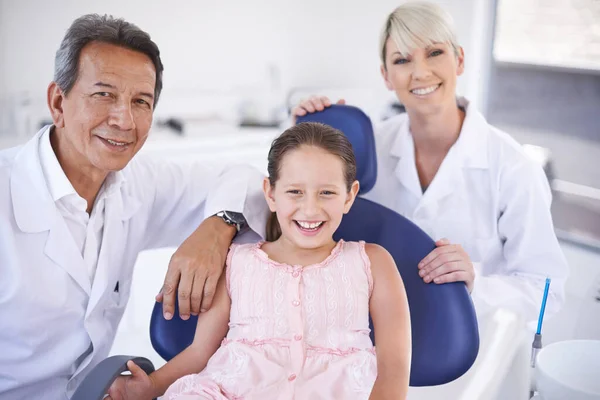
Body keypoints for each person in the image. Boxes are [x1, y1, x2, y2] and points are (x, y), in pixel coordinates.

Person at [0, 14, 269, 399]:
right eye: (104, 94)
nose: (124, 119)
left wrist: (216, 228)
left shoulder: (137, 184)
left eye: (140, 101)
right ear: (58, 102)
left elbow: (246, 179)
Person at [292, 1, 568, 322]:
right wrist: (309, 137)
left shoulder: (514, 168)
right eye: (402, 60)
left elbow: (547, 292)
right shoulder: (367, 147)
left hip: (476, 348)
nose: (420, 72)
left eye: (434, 53)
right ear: (386, 75)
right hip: (373, 337)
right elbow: (302, 215)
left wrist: (475, 282)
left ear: (459, 60)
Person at [105, 122, 412, 400]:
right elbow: (200, 352)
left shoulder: (372, 262)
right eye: (294, 192)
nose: (310, 208)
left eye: (327, 193)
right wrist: (152, 386)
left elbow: (394, 368)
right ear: (270, 193)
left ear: (349, 196)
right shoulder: (237, 262)